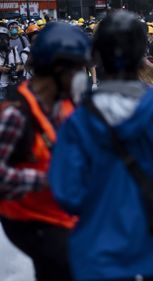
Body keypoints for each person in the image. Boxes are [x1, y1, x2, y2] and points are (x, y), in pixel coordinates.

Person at [49, 11, 153, 281]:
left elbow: (66, 192)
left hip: (98, 254)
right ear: (140, 57)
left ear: (96, 57)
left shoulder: (78, 121)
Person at [0, 22, 91, 281]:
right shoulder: (15, 114)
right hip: (28, 218)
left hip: (60, 209)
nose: (81, 75)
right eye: (76, 69)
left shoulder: (64, 104)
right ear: (58, 69)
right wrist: (47, 180)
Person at [0, 25, 22, 100]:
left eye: (4, 38)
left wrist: (16, 69)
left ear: (8, 39)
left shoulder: (13, 50)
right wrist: (1, 68)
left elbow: (18, 63)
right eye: (0, 38)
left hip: (12, 84)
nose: (2, 41)